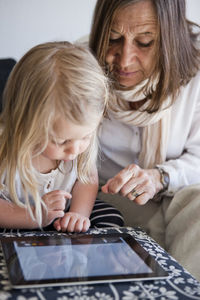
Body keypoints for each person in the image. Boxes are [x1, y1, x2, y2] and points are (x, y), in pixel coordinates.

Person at [89, 0, 200, 279]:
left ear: (170, 39)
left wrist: (158, 178)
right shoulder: (83, 70)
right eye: (113, 38)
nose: (124, 60)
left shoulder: (195, 72)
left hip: (180, 188)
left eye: (145, 42)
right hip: (112, 193)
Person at [0, 41, 124, 233]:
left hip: (62, 216)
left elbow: (87, 180)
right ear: (25, 123)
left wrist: (78, 215)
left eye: (86, 136)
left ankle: (73, 254)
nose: (75, 149)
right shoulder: (6, 151)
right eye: (61, 141)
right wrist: (33, 215)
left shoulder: (79, 147)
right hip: (16, 217)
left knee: (111, 217)